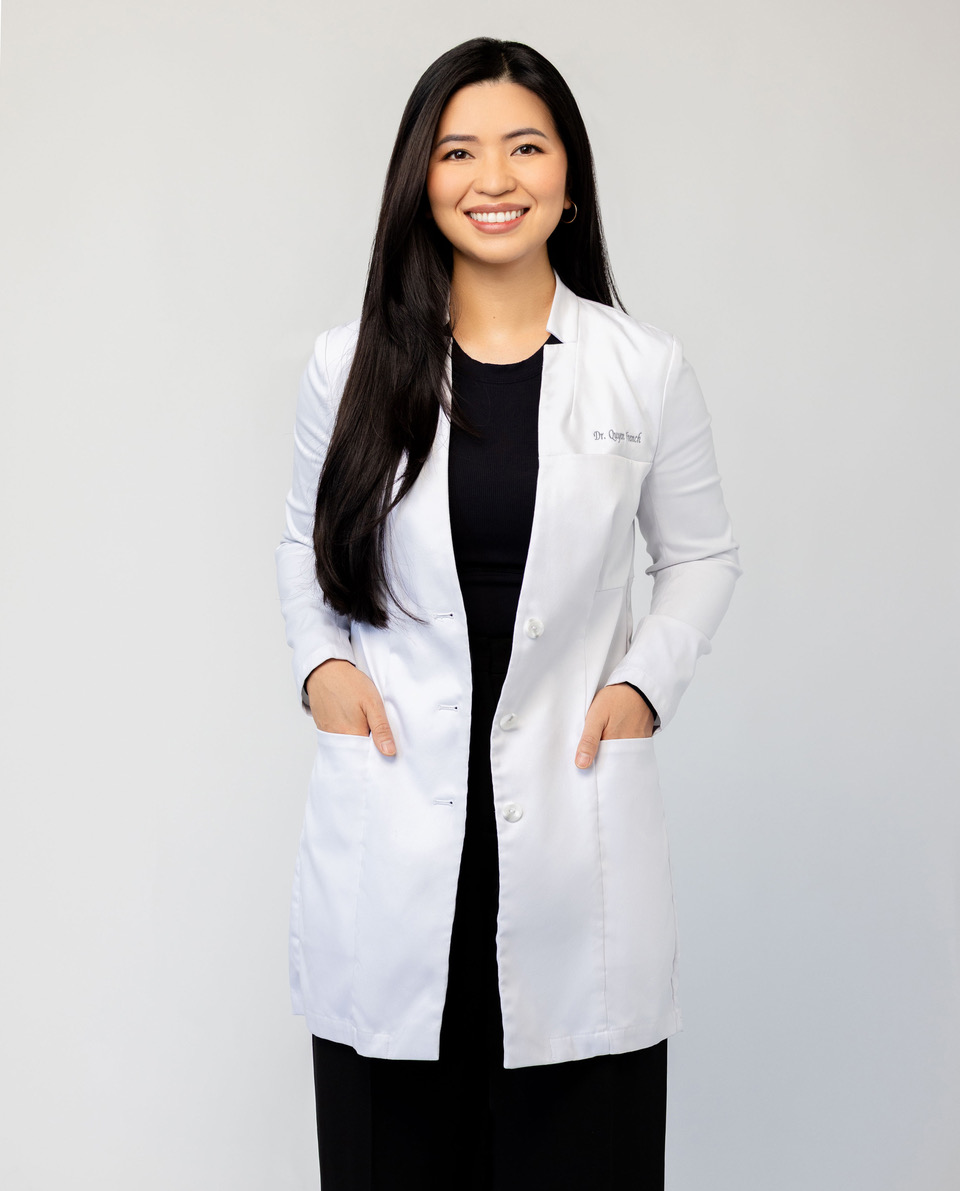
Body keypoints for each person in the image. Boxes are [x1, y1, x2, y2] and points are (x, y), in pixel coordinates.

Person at [275, 36, 740, 1190]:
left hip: (575, 837)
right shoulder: (348, 365)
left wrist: (642, 688)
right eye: (459, 152)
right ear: (420, 181)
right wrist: (321, 668)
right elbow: (301, 542)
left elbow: (702, 555)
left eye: (526, 148)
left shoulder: (642, 368)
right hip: (397, 833)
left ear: (569, 179)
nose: (495, 178)